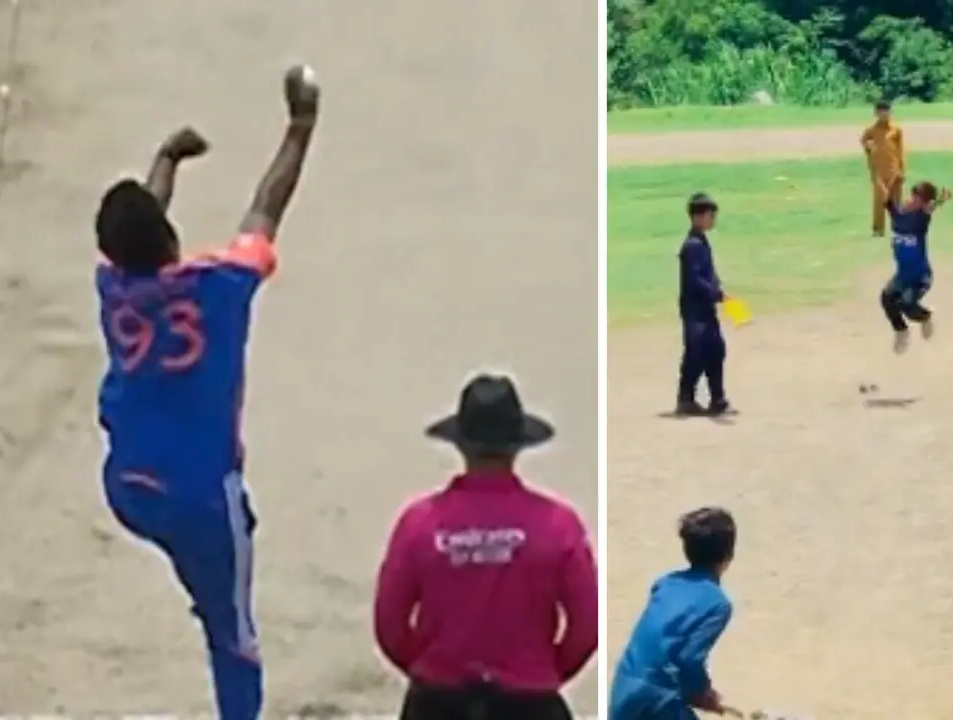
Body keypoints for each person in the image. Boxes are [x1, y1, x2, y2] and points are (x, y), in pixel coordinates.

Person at [94, 66, 319, 720]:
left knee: (203, 570)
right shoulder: (221, 286)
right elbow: (265, 208)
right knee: (233, 636)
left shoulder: (111, 288)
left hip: (128, 488)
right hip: (201, 499)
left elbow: (142, 218)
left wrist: (165, 159)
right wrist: (300, 128)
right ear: (170, 243)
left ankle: (203, 582)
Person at [374, 373, 599, 720]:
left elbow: (389, 624)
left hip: (440, 700)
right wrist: (543, 670)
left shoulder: (420, 522)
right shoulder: (558, 524)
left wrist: (429, 670)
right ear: (518, 445)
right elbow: (587, 626)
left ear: (461, 444)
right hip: (528, 700)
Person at [610, 507, 738, 720]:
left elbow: (661, 645)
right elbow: (689, 659)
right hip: (656, 696)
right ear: (729, 554)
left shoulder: (666, 583)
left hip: (625, 686)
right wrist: (702, 693)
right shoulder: (719, 604)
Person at [676, 193, 733, 417]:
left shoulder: (701, 242)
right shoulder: (691, 246)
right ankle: (685, 399)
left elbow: (708, 272)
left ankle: (717, 398)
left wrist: (718, 287)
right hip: (694, 309)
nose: (713, 220)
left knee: (716, 350)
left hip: (705, 307)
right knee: (696, 353)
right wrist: (715, 292)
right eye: (711, 216)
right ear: (698, 217)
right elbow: (694, 279)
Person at [879, 179, 951, 355]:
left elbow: (930, 207)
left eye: (917, 199)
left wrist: (941, 200)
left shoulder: (920, 220)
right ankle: (901, 331)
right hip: (902, 277)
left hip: (920, 277)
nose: (910, 200)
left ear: (923, 205)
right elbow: (884, 194)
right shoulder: (897, 215)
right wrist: (873, 163)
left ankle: (926, 317)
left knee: (906, 305)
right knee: (886, 298)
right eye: (911, 196)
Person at [860, 100, 906, 237]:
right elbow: (864, 143)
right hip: (878, 170)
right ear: (876, 113)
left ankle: (898, 228)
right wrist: (868, 145)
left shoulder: (896, 130)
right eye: (881, 112)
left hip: (894, 169)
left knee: (896, 200)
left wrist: (902, 169)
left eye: (887, 112)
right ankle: (878, 229)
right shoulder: (870, 131)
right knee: (881, 199)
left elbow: (901, 150)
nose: (884, 115)